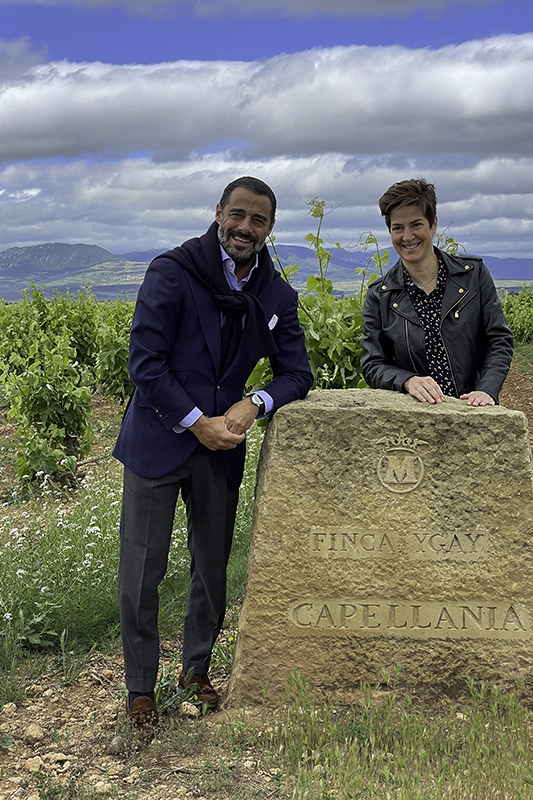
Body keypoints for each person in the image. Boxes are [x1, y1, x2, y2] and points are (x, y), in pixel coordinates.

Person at [113, 176, 313, 727]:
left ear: (270, 228)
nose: (246, 227)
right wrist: (197, 422)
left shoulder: (276, 294)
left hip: (222, 445)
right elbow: (145, 363)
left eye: (259, 220)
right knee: (142, 571)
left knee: (211, 567)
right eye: (238, 215)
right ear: (219, 212)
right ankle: (140, 689)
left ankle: (195, 670)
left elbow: (297, 373)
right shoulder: (172, 271)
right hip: (159, 438)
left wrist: (255, 402)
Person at [362, 178, 513, 405]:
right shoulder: (380, 295)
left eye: (416, 225)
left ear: (433, 224)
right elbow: (373, 365)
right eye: (398, 228)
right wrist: (408, 380)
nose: (407, 236)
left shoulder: (473, 275)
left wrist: (486, 390)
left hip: (472, 407)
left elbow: (499, 340)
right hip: (415, 415)